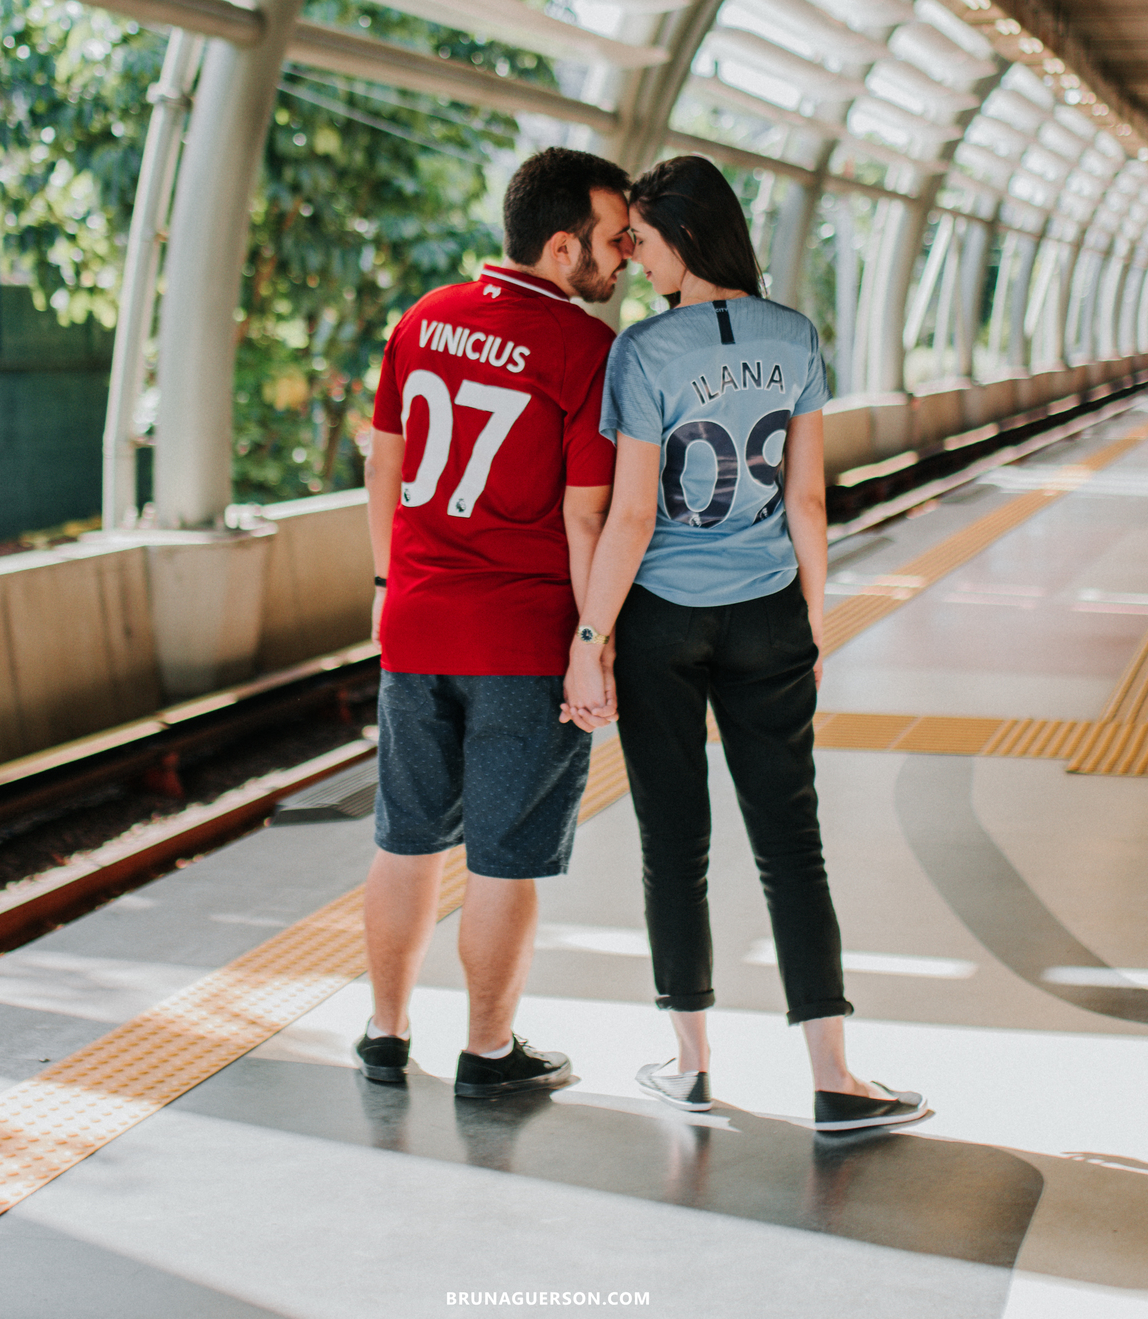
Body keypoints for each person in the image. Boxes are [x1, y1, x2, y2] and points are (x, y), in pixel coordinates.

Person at [562, 155, 927, 1133]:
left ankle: (689, 1067)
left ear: (685, 238)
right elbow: (807, 499)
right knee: (791, 843)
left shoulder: (643, 352)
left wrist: (590, 638)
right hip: (768, 610)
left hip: (662, 618)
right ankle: (834, 1077)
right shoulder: (794, 336)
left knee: (673, 842)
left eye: (642, 240)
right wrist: (813, 615)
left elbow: (632, 516)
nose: (634, 258)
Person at [357, 146, 630, 1098]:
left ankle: (385, 1033)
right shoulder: (585, 350)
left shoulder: (424, 317)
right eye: (613, 240)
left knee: (405, 840)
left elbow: (383, 464)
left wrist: (387, 581)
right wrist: (594, 645)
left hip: (417, 623)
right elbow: (586, 518)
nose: (625, 257)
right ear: (561, 247)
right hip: (520, 639)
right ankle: (486, 1052)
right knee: (504, 858)